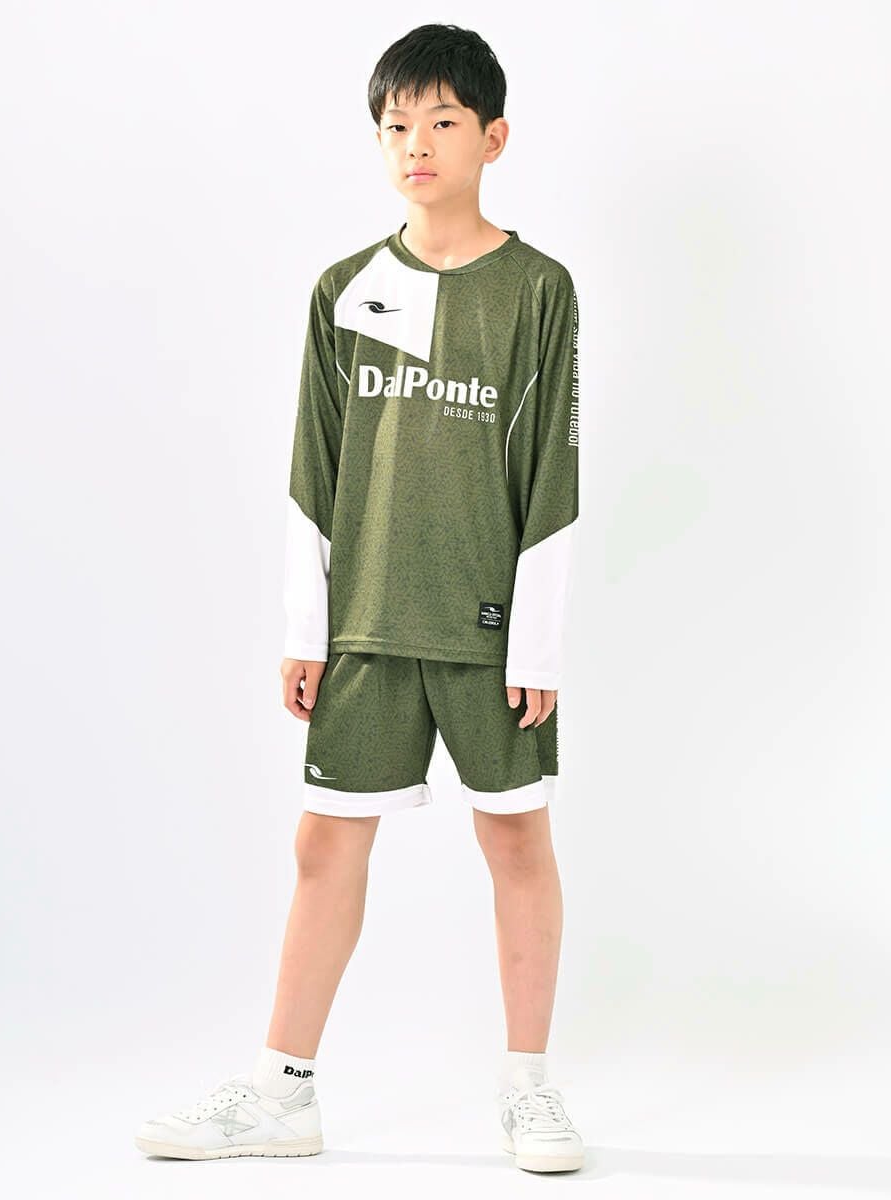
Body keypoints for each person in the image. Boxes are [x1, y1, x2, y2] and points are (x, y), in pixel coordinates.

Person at [135, 23, 583, 1173]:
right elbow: (314, 468)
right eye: (396, 125)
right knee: (323, 846)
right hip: (367, 628)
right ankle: (282, 1092)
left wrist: (536, 644)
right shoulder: (345, 289)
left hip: (486, 634)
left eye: (442, 121)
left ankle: (528, 1089)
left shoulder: (538, 291)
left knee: (515, 839)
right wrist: (307, 628)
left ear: (493, 138)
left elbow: (553, 474)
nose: (416, 143)